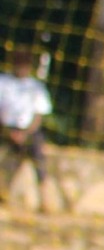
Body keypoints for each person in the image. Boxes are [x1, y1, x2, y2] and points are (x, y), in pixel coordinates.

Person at [0, 47, 56, 210]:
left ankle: (45, 200)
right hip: (6, 129)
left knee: (39, 162)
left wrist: (25, 134)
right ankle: (3, 195)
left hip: (29, 131)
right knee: (5, 162)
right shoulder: (3, 82)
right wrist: (9, 132)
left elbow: (39, 115)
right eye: (18, 62)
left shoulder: (36, 87)